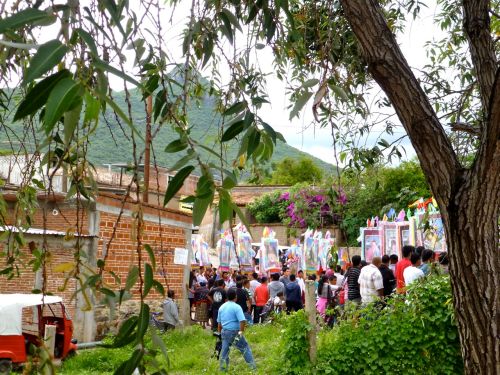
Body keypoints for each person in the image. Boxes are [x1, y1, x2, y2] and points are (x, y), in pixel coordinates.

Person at [217, 288, 256, 372]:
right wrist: (241, 331)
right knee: (245, 348)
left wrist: (219, 334)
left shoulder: (222, 307)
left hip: (225, 331)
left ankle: (222, 370)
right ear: (236, 297)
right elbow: (242, 320)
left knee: (224, 352)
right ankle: (253, 368)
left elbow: (219, 323)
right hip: (235, 332)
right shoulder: (237, 307)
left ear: (226, 297)